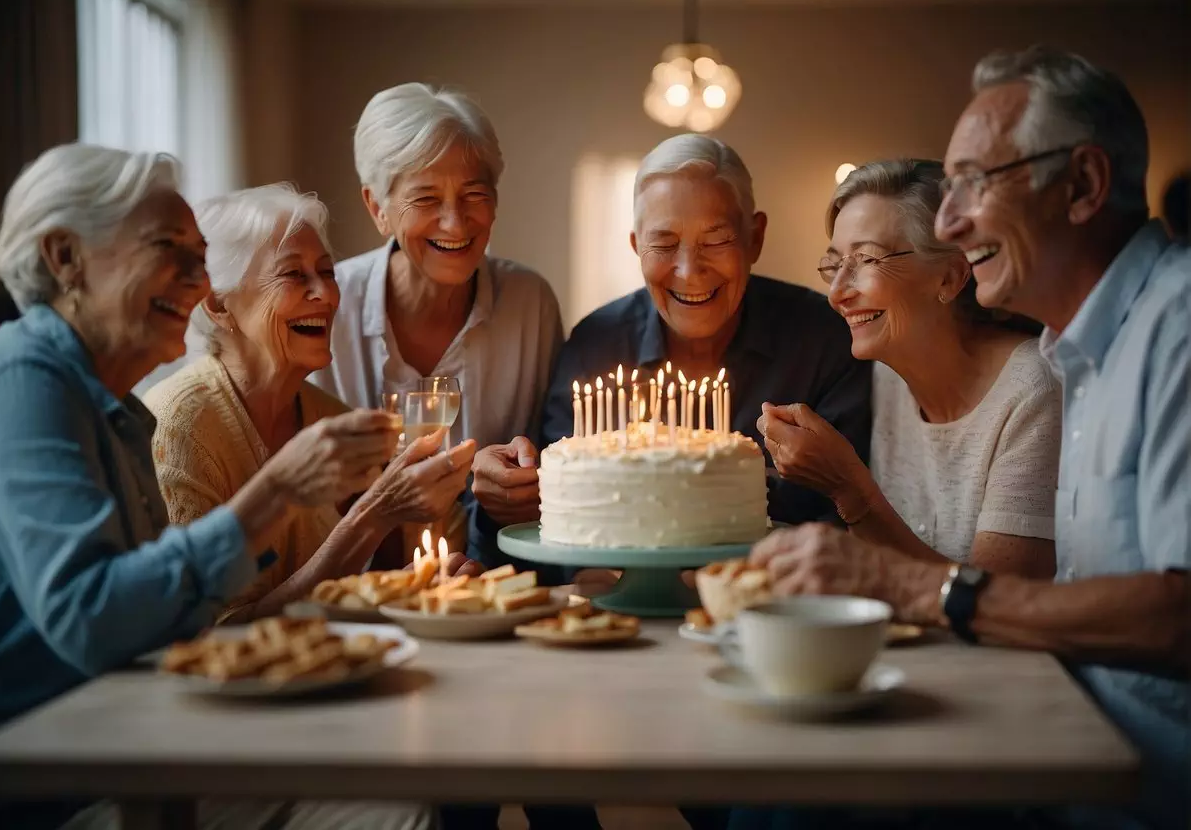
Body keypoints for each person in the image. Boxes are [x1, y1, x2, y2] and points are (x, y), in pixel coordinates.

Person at [747, 46, 1189, 830]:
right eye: (947, 191)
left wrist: (885, 550)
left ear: (1082, 184)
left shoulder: (1172, 332)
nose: (953, 221)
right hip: (1057, 753)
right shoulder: (1076, 350)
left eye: (975, 184)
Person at [0, 144, 427, 829]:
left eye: (201, 257)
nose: (196, 282)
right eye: (171, 251)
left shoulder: (116, 407)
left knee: (395, 794)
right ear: (64, 257)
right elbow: (90, 616)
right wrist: (275, 495)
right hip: (50, 782)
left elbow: (174, 626)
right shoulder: (24, 376)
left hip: (135, 744)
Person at [471, 133, 871, 569]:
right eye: (662, 244)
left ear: (754, 238)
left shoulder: (823, 340)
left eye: (715, 241)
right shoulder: (596, 344)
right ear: (635, 246)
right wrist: (505, 503)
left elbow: (854, 517)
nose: (688, 270)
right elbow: (554, 520)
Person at [143, 183, 478, 624]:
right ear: (219, 305)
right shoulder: (178, 426)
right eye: (294, 275)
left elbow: (431, 543)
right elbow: (212, 633)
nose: (326, 294)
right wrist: (371, 517)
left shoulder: (331, 419)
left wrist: (437, 567)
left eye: (327, 272)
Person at [758, 158, 1058, 575]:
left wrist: (849, 489)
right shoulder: (886, 375)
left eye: (866, 259)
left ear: (949, 278)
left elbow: (997, 606)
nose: (837, 293)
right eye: (835, 264)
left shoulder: (1034, 391)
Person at [312, 82, 563, 559]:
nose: (456, 222)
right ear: (377, 208)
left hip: (491, 590)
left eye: (474, 194)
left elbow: (551, 480)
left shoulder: (531, 304)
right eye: (426, 198)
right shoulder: (329, 308)